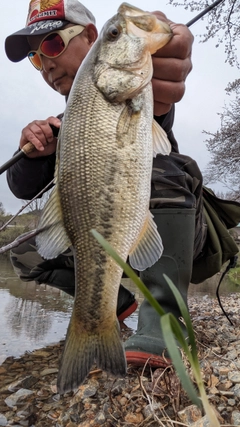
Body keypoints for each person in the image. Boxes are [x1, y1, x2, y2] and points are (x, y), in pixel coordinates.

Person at [5, 0, 239, 369]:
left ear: (91, 37)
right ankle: (110, 307)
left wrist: (161, 61)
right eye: (36, 57)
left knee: (165, 170)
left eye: (52, 44)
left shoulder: (134, 92)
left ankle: (163, 322)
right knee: (24, 251)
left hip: (174, 238)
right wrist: (32, 156)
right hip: (106, 241)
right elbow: (21, 189)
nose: (46, 63)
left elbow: (161, 103)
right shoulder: (59, 128)